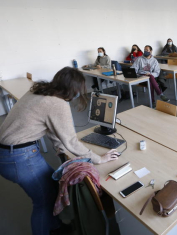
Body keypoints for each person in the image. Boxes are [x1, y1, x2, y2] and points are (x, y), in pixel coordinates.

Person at [0, 67, 119, 235]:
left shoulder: (39, 92)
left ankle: (55, 227)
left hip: (8, 154)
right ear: (74, 89)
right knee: (43, 202)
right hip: (20, 157)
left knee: (51, 189)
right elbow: (71, 141)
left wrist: (60, 147)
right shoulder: (57, 103)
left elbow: (51, 128)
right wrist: (99, 159)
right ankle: (46, 229)